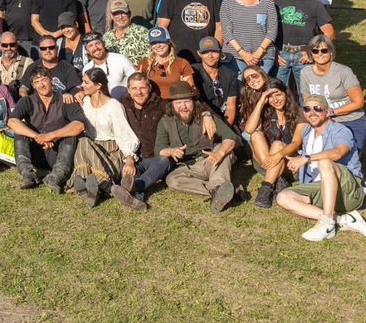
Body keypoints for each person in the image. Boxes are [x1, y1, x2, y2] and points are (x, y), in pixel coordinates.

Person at [274, 94, 366, 242]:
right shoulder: (307, 132)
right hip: (321, 189)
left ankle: (327, 223)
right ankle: (342, 219)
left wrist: (306, 158)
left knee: (325, 162)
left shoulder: (340, 130)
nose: (312, 113)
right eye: (307, 109)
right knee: (283, 197)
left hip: (348, 190)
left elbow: (337, 153)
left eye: (317, 108)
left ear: (327, 112)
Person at [157, 82, 240, 213]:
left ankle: (218, 186)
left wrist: (219, 153)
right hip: (187, 167)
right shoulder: (165, 122)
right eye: (178, 103)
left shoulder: (206, 117)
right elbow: (159, 149)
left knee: (224, 150)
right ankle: (222, 191)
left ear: (193, 102)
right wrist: (171, 151)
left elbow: (231, 137)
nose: (183, 107)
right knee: (172, 180)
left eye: (186, 101)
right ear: (171, 105)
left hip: (210, 161)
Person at [71, 69, 146, 210]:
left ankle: (101, 185)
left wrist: (129, 158)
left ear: (98, 86)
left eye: (86, 82)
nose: (82, 85)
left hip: (110, 150)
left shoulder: (113, 106)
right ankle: (87, 185)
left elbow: (123, 133)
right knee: (83, 142)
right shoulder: (84, 102)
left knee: (85, 144)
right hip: (90, 147)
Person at [7, 65, 85, 192]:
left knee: (70, 134)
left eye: (44, 80)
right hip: (34, 152)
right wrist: (37, 137)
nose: (41, 85)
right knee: (20, 129)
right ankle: (28, 174)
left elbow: (79, 125)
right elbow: (12, 121)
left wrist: (51, 136)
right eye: (37, 82)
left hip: (58, 153)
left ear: (51, 80)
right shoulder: (27, 101)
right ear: (33, 85)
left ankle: (56, 177)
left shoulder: (65, 100)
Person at [299, 35, 366, 153]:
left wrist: (332, 112)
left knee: (346, 156)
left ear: (331, 52)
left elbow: (359, 102)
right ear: (311, 54)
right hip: (321, 121)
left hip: (349, 119)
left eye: (324, 50)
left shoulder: (343, 72)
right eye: (315, 51)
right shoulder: (305, 73)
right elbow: (307, 101)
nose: (320, 54)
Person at [242, 79, 302, 209]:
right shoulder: (267, 113)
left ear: (286, 93)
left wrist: (278, 154)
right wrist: (260, 102)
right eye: (270, 97)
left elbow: (296, 143)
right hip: (267, 161)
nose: (275, 100)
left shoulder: (299, 114)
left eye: (278, 95)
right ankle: (278, 180)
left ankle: (266, 187)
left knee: (277, 145)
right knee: (255, 135)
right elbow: (248, 130)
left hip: (291, 163)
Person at [272, 0, 334, 89]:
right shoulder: (275, 2)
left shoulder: (315, 4)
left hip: (304, 54)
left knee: (306, 94)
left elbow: (329, 32)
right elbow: (265, 30)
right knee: (278, 92)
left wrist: (313, 52)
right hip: (280, 53)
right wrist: (273, 52)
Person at [118, 73, 173, 204]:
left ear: (149, 88)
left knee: (165, 161)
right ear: (128, 90)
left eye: (142, 88)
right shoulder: (122, 105)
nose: (139, 92)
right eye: (134, 88)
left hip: (156, 157)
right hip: (135, 158)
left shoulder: (161, 105)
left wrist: (206, 115)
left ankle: (136, 186)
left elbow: (184, 109)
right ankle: (137, 200)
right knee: (128, 172)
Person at [156, 0, 222, 62]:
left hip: (206, 57)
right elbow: (162, 28)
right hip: (178, 57)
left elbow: (219, 28)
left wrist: (216, 51)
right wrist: (166, 54)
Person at [219, 0, 278, 76]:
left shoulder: (267, 1)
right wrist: (243, 53)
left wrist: (258, 53)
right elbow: (227, 32)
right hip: (235, 56)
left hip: (263, 56)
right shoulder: (227, 2)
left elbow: (272, 30)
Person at [194, 36, 241, 127]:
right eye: (205, 52)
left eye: (214, 51)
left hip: (225, 122)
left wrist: (225, 129)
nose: (210, 55)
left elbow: (231, 107)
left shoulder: (230, 75)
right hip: (200, 120)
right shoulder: (193, 72)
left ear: (220, 52)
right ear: (199, 54)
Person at [139, 26, 195, 97]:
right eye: (154, 43)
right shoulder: (144, 63)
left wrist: (184, 87)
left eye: (161, 41)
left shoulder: (182, 63)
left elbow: (191, 91)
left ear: (168, 42)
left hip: (175, 102)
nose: (158, 45)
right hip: (152, 103)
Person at [104, 0, 150, 66]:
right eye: (116, 14)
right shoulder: (106, 37)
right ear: (111, 16)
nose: (120, 17)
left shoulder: (143, 33)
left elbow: (151, 56)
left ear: (129, 14)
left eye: (123, 13)